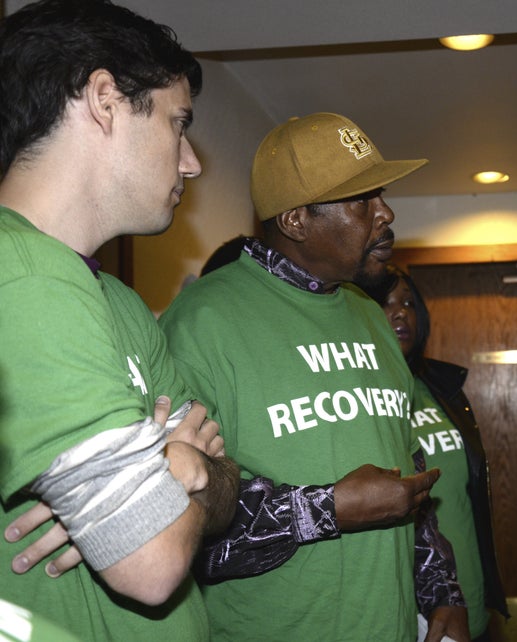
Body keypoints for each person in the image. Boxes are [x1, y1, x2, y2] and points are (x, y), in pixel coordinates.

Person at [158, 112, 471, 642]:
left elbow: (409, 473)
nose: (386, 212)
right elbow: (179, 522)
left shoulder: (369, 314)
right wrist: (328, 509)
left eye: (382, 195)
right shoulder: (200, 322)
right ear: (297, 220)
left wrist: (441, 589)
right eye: (362, 200)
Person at [0, 1, 240, 640]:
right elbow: (153, 562)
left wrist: (187, 472)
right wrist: (174, 465)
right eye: (176, 123)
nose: (190, 162)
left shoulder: (120, 301)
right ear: (105, 99)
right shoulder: (18, 276)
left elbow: (225, 476)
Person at [362, 264, 510, 641]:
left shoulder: (441, 389)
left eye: (409, 303)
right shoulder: (358, 399)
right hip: (413, 605)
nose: (400, 312)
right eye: (386, 302)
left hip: (470, 591)